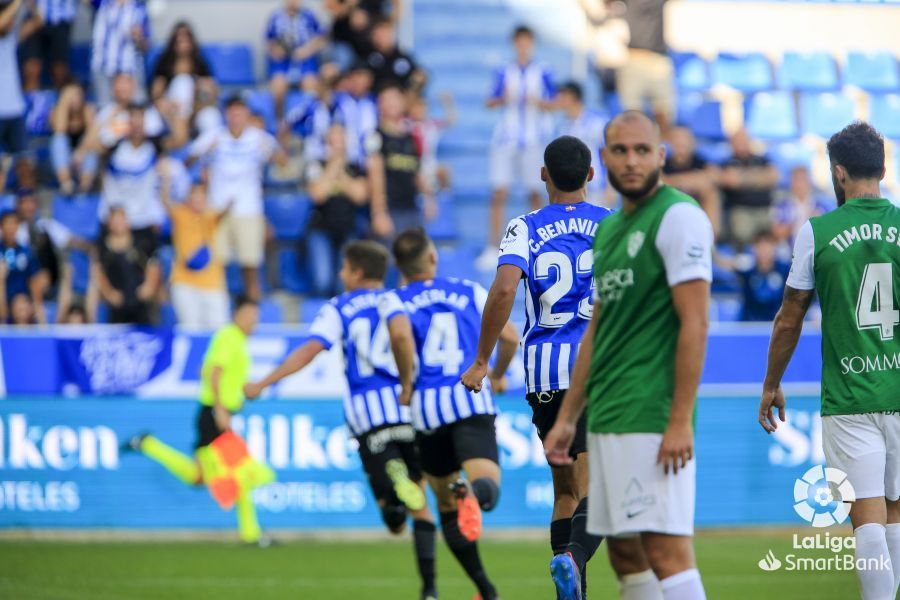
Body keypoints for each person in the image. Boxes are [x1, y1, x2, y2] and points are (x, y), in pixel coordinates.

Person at [545, 111, 713, 600]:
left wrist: (679, 419)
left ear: (661, 156)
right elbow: (598, 331)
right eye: (620, 150)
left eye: (643, 150)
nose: (632, 160)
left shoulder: (678, 216)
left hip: (652, 415)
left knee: (665, 552)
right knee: (624, 555)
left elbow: (696, 323)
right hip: (608, 416)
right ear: (604, 160)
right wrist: (568, 417)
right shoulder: (610, 231)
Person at [461, 135, 613, 600]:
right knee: (603, 495)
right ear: (591, 175)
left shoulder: (523, 226)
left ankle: (572, 590)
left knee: (566, 491)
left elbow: (504, 289)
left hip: (544, 374)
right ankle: (573, 558)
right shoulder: (614, 224)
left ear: (542, 174)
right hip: (598, 369)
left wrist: (483, 359)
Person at [244, 241, 438, 599]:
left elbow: (310, 350)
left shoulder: (340, 307)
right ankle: (430, 590)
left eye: (344, 268)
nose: (340, 274)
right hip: (410, 411)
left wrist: (264, 382)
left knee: (394, 522)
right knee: (422, 506)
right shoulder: (400, 301)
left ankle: (394, 499)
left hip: (369, 418)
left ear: (357, 272)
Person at [759, 121, 900, 600]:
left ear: (838, 173)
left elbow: (789, 316)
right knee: (896, 510)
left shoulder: (818, 231)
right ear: (882, 168)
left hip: (850, 396)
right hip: (898, 389)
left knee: (866, 516)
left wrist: (771, 382)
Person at [380, 228, 520, 600]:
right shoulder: (467, 290)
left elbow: (399, 338)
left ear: (399, 266)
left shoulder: (395, 300)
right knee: (487, 492)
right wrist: (499, 373)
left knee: (443, 506)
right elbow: (510, 337)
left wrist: (407, 384)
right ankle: (471, 493)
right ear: (432, 258)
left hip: (427, 410)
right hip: (470, 399)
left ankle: (485, 589)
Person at [124, 295, 273, 547]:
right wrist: (220, 408)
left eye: (256, 316)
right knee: (243, 474)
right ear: (236, 314)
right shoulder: (229, 336)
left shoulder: (232, 339)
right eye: (249, 315)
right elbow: (214, 372)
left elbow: (205, 369)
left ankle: (147, 444)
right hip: (215, 416)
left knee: (198, 476)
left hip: (215, 414)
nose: (253, 321)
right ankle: (251, 535)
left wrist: (235, 393)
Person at [188, 95, 287, 301]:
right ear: (226, 114)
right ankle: (220, 309)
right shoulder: (214, 136)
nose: (236, 116)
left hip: (248, 209)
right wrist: (205, 153)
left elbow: (283, 162)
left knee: (250, 265)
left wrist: (273, 153)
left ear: (247, 115)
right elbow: (187, 161)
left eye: (240, 111)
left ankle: (254, 310)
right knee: (217, 266)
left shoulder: (259, 138)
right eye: (232, 111)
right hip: (218, 209)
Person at [480, 25, 555, 271]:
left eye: (526, 41)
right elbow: (489, 101)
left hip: (535, 139)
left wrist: (539, 102)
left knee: (535, 192)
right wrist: (504, 98)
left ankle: (538, 246)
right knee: (499, 192)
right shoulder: (504, 70)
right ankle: (493, 247)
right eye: (519, 42)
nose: (522, 46)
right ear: (514, 43)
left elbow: (556, 102)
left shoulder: (543, 70)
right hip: (507, 138)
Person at [159, 163, 230, 329]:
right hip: (184, 282)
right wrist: (166, 180)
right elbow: (164, 201)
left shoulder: (211, 216)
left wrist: (212, 181)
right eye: (194, 194)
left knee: (218, 329)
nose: (197, 198)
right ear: (188, 197)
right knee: (190, 328)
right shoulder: (180, 214)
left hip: (212, 283)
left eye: (201, 195)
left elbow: (225, 208)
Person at [305, 124, 369, 297]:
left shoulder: (355, 167)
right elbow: (318, 194)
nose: (337, 143)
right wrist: (334, 165)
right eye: (333, 139)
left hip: (348, 229)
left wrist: (338, 176)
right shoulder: (316, 165)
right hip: (320, 228)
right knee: (322, 281)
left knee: (344, 284)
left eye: (341, 138)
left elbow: (360, 195)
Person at [97, 103, 166, 258]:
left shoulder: (155, 148)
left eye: (140, 119)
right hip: (115, 220)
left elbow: (179, 139)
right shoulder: (113, 147)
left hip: (144, 221)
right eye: (132, 119)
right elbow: (90, 147)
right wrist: (110, 119)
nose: (136, 124)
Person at [366, 85, 426, 242]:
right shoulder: (376, 136)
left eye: (395, 98)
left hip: (411, 208)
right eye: (387, 99)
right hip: (390, 211)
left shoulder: (410, 137)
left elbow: (415, 171)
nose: (392, 103)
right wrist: (379, 212)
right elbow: (375, 173)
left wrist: (429, 197)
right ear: (379, 104)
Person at [93, 206, 161, 325]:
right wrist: (109, 293)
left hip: (140, 297)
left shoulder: (142, 242)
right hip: (117, 299)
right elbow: (98, 272)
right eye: (115, 221)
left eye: (121, 220)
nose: (118, 224)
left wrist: (148, 287)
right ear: (109, 224)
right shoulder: (103, 247)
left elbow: (153, 264)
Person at [0, 0, 43, 187]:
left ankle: (28, 211)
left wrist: (30, 4)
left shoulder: (11, 38)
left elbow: (38, 21)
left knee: (25, 166)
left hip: (15, 111)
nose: (11, 22)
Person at [615, 0, 675, 130]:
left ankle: (661, 145)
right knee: (631, 114)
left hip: (658, 58)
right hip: (633, 57)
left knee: (663, 111)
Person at [265, 0, 326, 120]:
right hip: (283, 62)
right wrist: (277, 50)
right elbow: (269, 42)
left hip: (305, 61)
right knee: (278, 86)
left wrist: (307, 50)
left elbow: (321, 38)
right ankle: (280, 121)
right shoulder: (276, 17)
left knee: (310, 85)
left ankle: (309, 119)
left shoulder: (309, 16)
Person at [719, 128, 780, 247]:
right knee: (742, 231)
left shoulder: (762, 159)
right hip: (741, 210)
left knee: (779, 226)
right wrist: (759, 177)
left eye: (743, 140)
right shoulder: (727, 162)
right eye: (737, 141)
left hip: (766, 208)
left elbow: (772, 177)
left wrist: (741, 178)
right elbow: (730, 180)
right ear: (731, 143)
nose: (741, 144)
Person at [555, 81, 610, 207]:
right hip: (572, 190)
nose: (558, 99)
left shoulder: (597, 122)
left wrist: (610, 186)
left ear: (573, 97)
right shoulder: (564, 126)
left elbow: (609, 152)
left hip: (596, 187)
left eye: (562, 95)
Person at [150, 22, 212, 128]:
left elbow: (209, 89)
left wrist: (198, 104)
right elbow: (156, 93)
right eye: (179, 40)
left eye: (185, 39)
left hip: (196, 105)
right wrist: (166, 104)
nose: (182, 43)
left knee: (211, 117)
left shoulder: (199, 61)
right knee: (151, 120)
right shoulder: (164, 61)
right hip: (170, 107)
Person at [663, 126, 721, 238]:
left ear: (691, 141)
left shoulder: (701, 161)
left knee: (711, 193)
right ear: (670, 141)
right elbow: (661, 182)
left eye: (684, 138)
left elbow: (713, 177)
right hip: (672, 208)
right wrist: (693, 180)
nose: (680, 142)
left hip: (697, 207)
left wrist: (675, 181)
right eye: (676, 138)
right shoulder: (663, 163)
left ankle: (710, 239)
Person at [90, 0, 150, 106]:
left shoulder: (139, 9)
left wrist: (139, 38)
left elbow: (146, 46)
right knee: (105, 111)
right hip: (103, 67)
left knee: (137, 108)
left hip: (130, 69)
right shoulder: (102, 3)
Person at [50, 81, 98, 194]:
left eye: (77, 94)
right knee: (58, 141)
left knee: (92, 145)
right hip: (63, 162)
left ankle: (85, 186)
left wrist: (81, 152)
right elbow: (59, 130)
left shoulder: (88, 109)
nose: (74, 99)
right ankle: (66, 184)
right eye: (70, 95)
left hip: (82, 159)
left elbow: (93, 134)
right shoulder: (56, 111)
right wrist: (64, 105)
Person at [0, 209, 46, 324]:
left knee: (22, 306)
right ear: (1, 227)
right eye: (7, 223)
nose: (11, 228)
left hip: (23, 305)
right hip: (3, 301)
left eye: (14, 223)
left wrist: (40, 315)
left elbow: (34, 283)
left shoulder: (26, 252)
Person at [20, 0, 76, 90]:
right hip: (35, 19)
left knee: (60, 71)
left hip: (61, 19)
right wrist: (35, 12)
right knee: (31, 69)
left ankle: (63, 102)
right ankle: (32, 102)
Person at [772, 165, 834, 246]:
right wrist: (798, 220)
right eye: (796, 180)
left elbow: (830, 232)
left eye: (802, 180)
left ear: (809, 182)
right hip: (789, 252)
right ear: (791, 183)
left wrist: (818, 223)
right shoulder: (782, 206)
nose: (799, 184)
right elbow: (777, 233)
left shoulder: (821, 206)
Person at [363, 16, 424, 93]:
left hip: (399, 99)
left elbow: (418, 75)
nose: (383, 37)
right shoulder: (366, 57)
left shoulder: (403, 57)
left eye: (386, 33)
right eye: (380, 34)